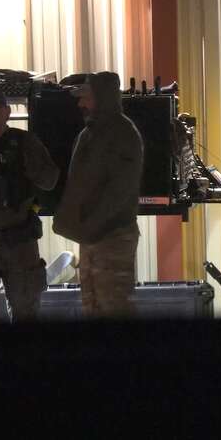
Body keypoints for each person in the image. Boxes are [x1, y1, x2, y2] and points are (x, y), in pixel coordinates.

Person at [53, 72, 143, 318]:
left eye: (87, 98)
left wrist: (90, 227)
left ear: (103, 98)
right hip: (91, 236)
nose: (81, 104)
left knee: (115, 306)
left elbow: (119, 192)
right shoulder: (89, 134)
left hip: (113, 237)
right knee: (91, 305)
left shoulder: (123, 134)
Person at [0, 87, 59, 322]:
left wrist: (30, 167)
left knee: (26, 310)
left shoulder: (25, 142)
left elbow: (50, 181)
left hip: (20, 241)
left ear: (7, 112)